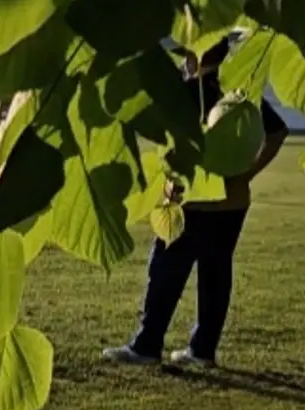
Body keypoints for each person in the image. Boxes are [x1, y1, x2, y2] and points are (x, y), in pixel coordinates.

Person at [104, 41, 292, 369]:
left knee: (165, 272)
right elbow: (278, 131)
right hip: (232, 202)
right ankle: (202, 350)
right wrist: (246, 174)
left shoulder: (188, 91)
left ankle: (147, 345)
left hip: (192, 200)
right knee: (215, 275)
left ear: (195, 56)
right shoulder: (238, 91)